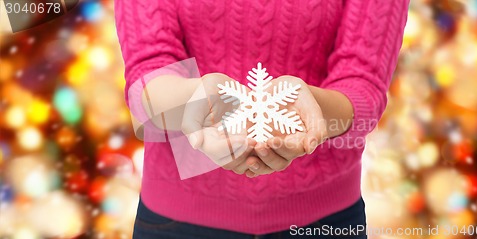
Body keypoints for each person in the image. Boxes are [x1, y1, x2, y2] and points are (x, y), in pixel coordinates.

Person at [115, 0, 409, 238]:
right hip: (175, 222)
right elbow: (147, 75)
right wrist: (192, 101)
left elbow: (363, 84)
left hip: (324, 220)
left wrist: (313, 109)